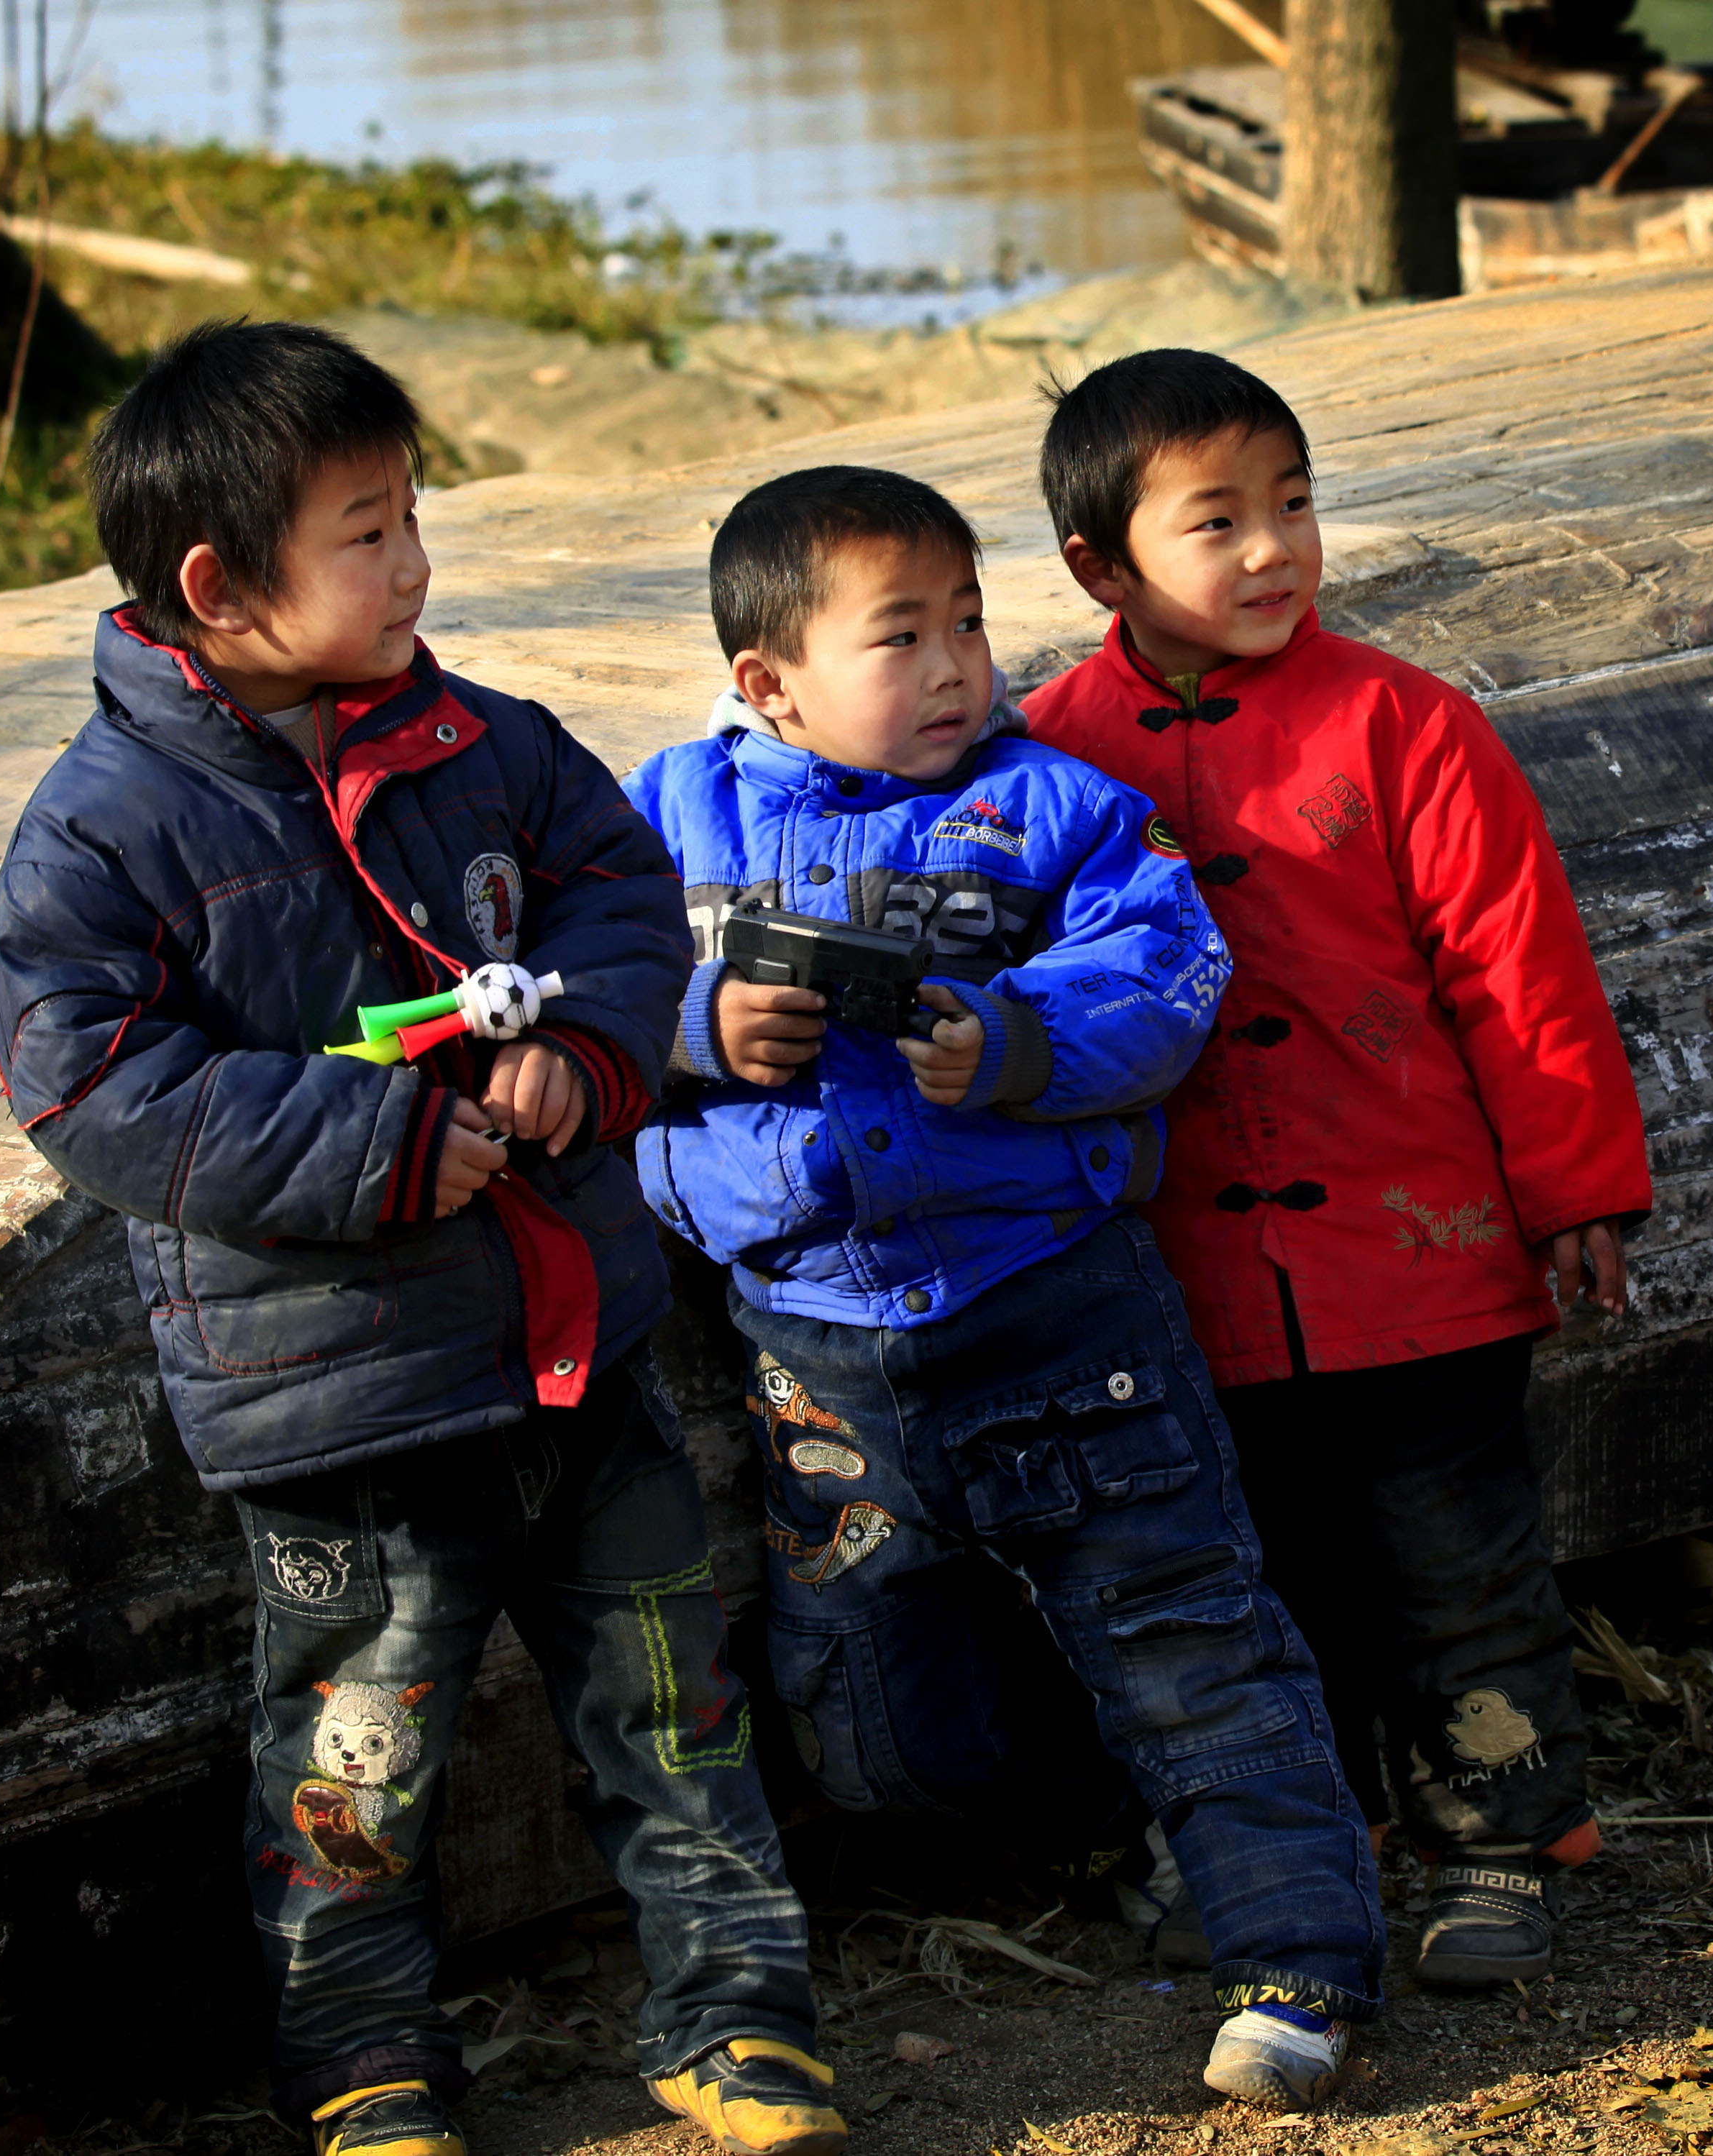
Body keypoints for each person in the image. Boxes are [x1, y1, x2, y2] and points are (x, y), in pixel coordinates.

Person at [0, 321, 844, 2156]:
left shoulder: (487, 743)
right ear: (220, 587)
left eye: (410, 516)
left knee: (676, 1707)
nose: (414, 566)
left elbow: (622, 897)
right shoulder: (102, 830)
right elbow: (86, 1083)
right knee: (352, 1755)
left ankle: (740, 2018)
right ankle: (362, 2056)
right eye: (367, 533)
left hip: (574, 1342)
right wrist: (376, 1144)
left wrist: (589, 1051)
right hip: (338, 1401)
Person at [623, 463, 1387, 2113]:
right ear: (768, 680)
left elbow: (1165, 967)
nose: (956, 665)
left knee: (1183, 1626)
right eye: (900, 635)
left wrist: (1019, 1039)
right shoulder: (667, 817)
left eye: (968, 623)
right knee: (873, 1724)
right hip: (815, 1348)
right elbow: (569, 977)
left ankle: (1296, 1953)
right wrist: (692, 1026)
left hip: (1058, 1307)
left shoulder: (1055, 807)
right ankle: (1121, 1807)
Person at [1025, 350, 1653, 1990]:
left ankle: (1499, 1838)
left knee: (1457, 1567)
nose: (1273, 549)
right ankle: (1299, 1849)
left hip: (1422, 1250)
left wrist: (1576, 1186)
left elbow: (1517, 971)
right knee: (1250, 1578)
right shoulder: (1044, 761)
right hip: (1186, 1280)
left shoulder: (1405, 724)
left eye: (1293, 503)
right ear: (1099, 567)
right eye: (1215, 520)